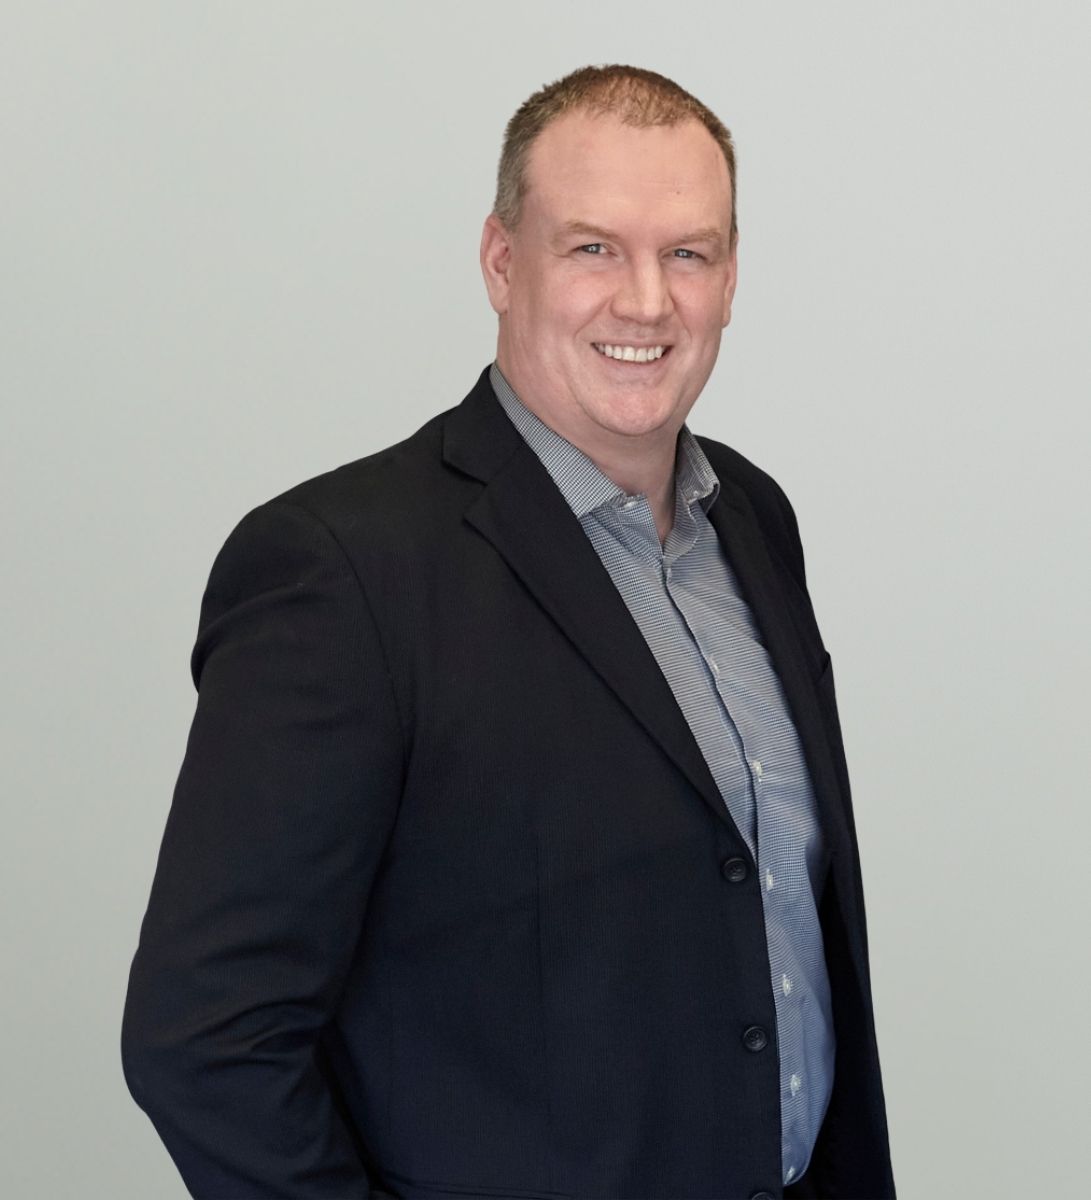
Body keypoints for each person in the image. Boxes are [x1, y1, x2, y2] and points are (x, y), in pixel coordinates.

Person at [121, 64, 895, 1200]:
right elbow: (204, 1038)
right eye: (592, 248)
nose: (646, 301)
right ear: (499, 260)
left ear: (730, 277)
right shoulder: (342, 570)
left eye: (687, 253)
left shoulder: (754, 520)